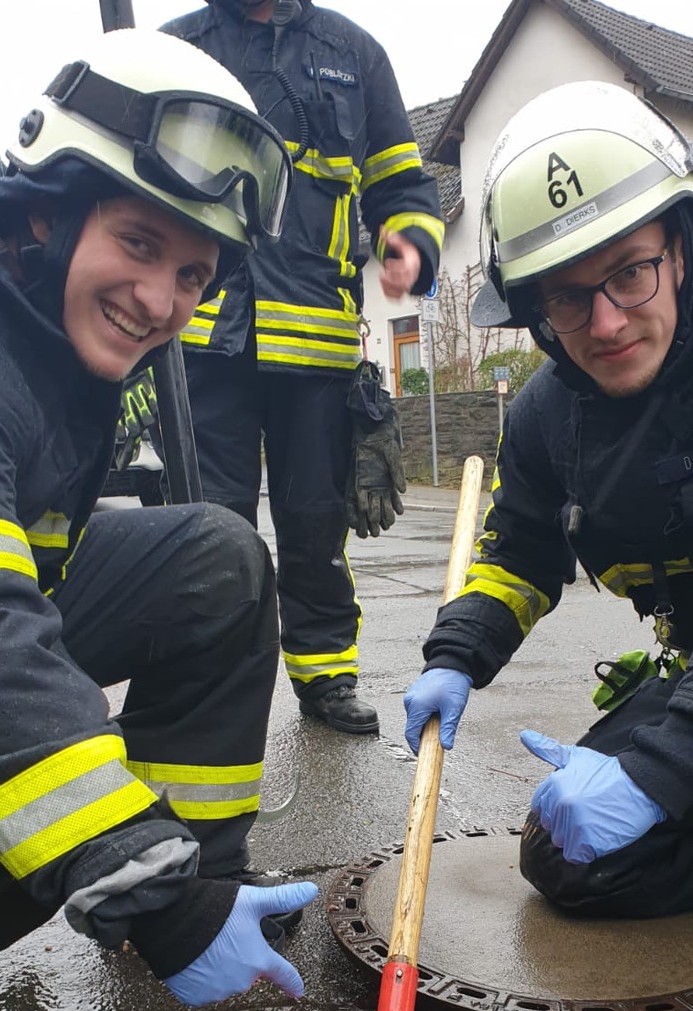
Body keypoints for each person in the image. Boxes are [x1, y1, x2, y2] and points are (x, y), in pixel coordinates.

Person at [0, 27, 318, 1008]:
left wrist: (180, 884)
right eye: (138, 243)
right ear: (49, 215)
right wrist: (144, 896)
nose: (157, 300)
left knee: (214, 557)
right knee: (30, 856)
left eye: (192, 275)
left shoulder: (43, 338)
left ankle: (196, 866)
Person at [403, 80, 693, 920]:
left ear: (678, 250)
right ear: (533, 311)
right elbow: (522, 555)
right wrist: (455, 655)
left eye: (630, 273)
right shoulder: (545, 418)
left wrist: (656, 775)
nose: (605, 324)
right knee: (573, 858)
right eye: (567, 295)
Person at [159, 0, 444, 735]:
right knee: (206, 524)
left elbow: (403, 188)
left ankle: (324, 676)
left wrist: (408, 244)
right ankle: (208, 670)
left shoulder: (355, 55)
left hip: (317, 347)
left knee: (317, 525)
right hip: (203, 337)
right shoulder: (176, 48)